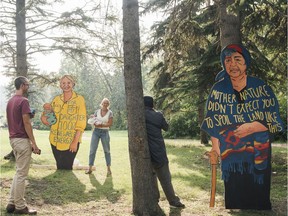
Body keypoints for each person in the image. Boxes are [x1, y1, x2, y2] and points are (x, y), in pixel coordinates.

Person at [201, 44, 284, 210]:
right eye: (228, 60)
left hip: (257, 149)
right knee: (234, 187)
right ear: (224, 64)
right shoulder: (218, 89)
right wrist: (215, 148)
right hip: (230, 153)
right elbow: (213, 120)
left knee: (258, 187)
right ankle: (235, 209)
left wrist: (254, 127)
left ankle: (259, 209)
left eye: (237, 60)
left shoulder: (261, 87)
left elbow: (275, 119)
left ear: (246, 63)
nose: (233, 64)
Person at [6, 76, 41, 214]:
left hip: (13, 139)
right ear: (22, 85)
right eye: (27, 84)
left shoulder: (10, 101)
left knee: (18, 172)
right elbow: (26, 123)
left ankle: (11, 203)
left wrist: (28, 115)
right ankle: (20, 206)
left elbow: (18, 118)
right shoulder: (24, 101)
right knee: (22, 174)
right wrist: (34, 143)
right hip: (22, 140)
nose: (28, 86)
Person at [144, 96, 185, 208]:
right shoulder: (158, 115)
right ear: (153, 105)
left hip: (145, 153)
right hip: (158, 150)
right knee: (165, 178)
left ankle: (155, 199)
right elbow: (166, 127)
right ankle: (173, 201)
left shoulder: (140, 115)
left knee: (152, 177)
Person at [41, 75, 87, 170]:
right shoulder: (56, 100)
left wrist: (75, 142)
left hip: (71, 141)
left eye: (68, 83)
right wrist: (45, 114)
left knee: (66, 167)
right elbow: (49, 120)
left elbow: (81, 122)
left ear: (73, 84)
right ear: (60, 85)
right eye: (63, 83)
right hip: (54, 140)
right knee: (60, 167)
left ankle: (66, 184)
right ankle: (58, 184)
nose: (66, 85)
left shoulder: (79, 100)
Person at [85, 98, 113, 175]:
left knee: (107, 151)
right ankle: (90, 168)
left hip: (105, 132)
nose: (105, 104)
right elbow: (93, 120)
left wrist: (101, 124)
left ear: (108, 104)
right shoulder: (97, 111)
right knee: (92, 150)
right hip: (96, 132)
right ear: (101, 103)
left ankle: (108, 169)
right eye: (104, 103)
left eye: (107, 103)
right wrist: (92, 118)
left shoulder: (110, 113)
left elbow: (110, 124)